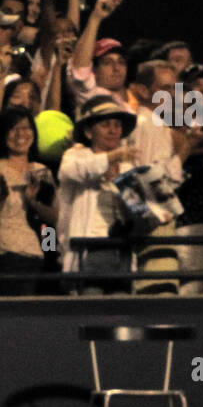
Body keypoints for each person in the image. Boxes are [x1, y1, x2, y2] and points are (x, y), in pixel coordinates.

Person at [55, 95, 139, 293]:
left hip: (121, 251)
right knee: (91, 312)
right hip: (88, 249)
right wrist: (110, 158)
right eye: (106, 124)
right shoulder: (76, 155)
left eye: (117, 125)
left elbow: (136, 213)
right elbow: (73, 171)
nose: (113, 130)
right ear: (88, 131)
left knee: (121, 317)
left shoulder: (128, 165)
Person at [0, 106, 57, 295]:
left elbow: (52, 222)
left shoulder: (42, 172)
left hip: (34, 256)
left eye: (26, 128)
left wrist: (33, 202)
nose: (20, 134)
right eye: (13, 128)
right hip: (4, 254)